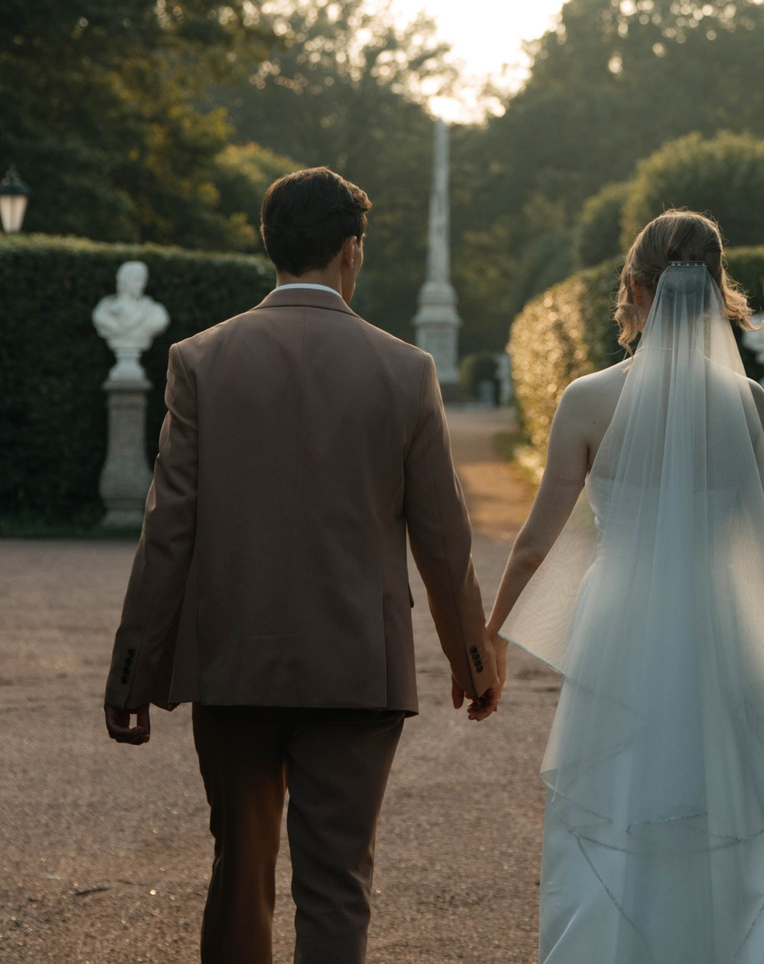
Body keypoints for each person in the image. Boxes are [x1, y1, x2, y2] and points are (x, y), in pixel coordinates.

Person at [102, 166, 502, 964]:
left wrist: (132, 672)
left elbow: (168, 530)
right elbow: (443, 536)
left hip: (233, 660)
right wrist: (472, 656)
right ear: (351, 249)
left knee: (239, 870)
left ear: (270, 246)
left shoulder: (200, 360)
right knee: (336, 883)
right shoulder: (406, 370)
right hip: (358, 663)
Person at [487, 210, 764, 964]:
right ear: (717, 293)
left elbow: (538, 540)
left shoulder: (587, 399)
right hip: (726, 632)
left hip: (621, 631)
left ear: (633, 290)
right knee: (741, 812)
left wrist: (490, 638)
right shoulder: (744, 402)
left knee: (626, 805)